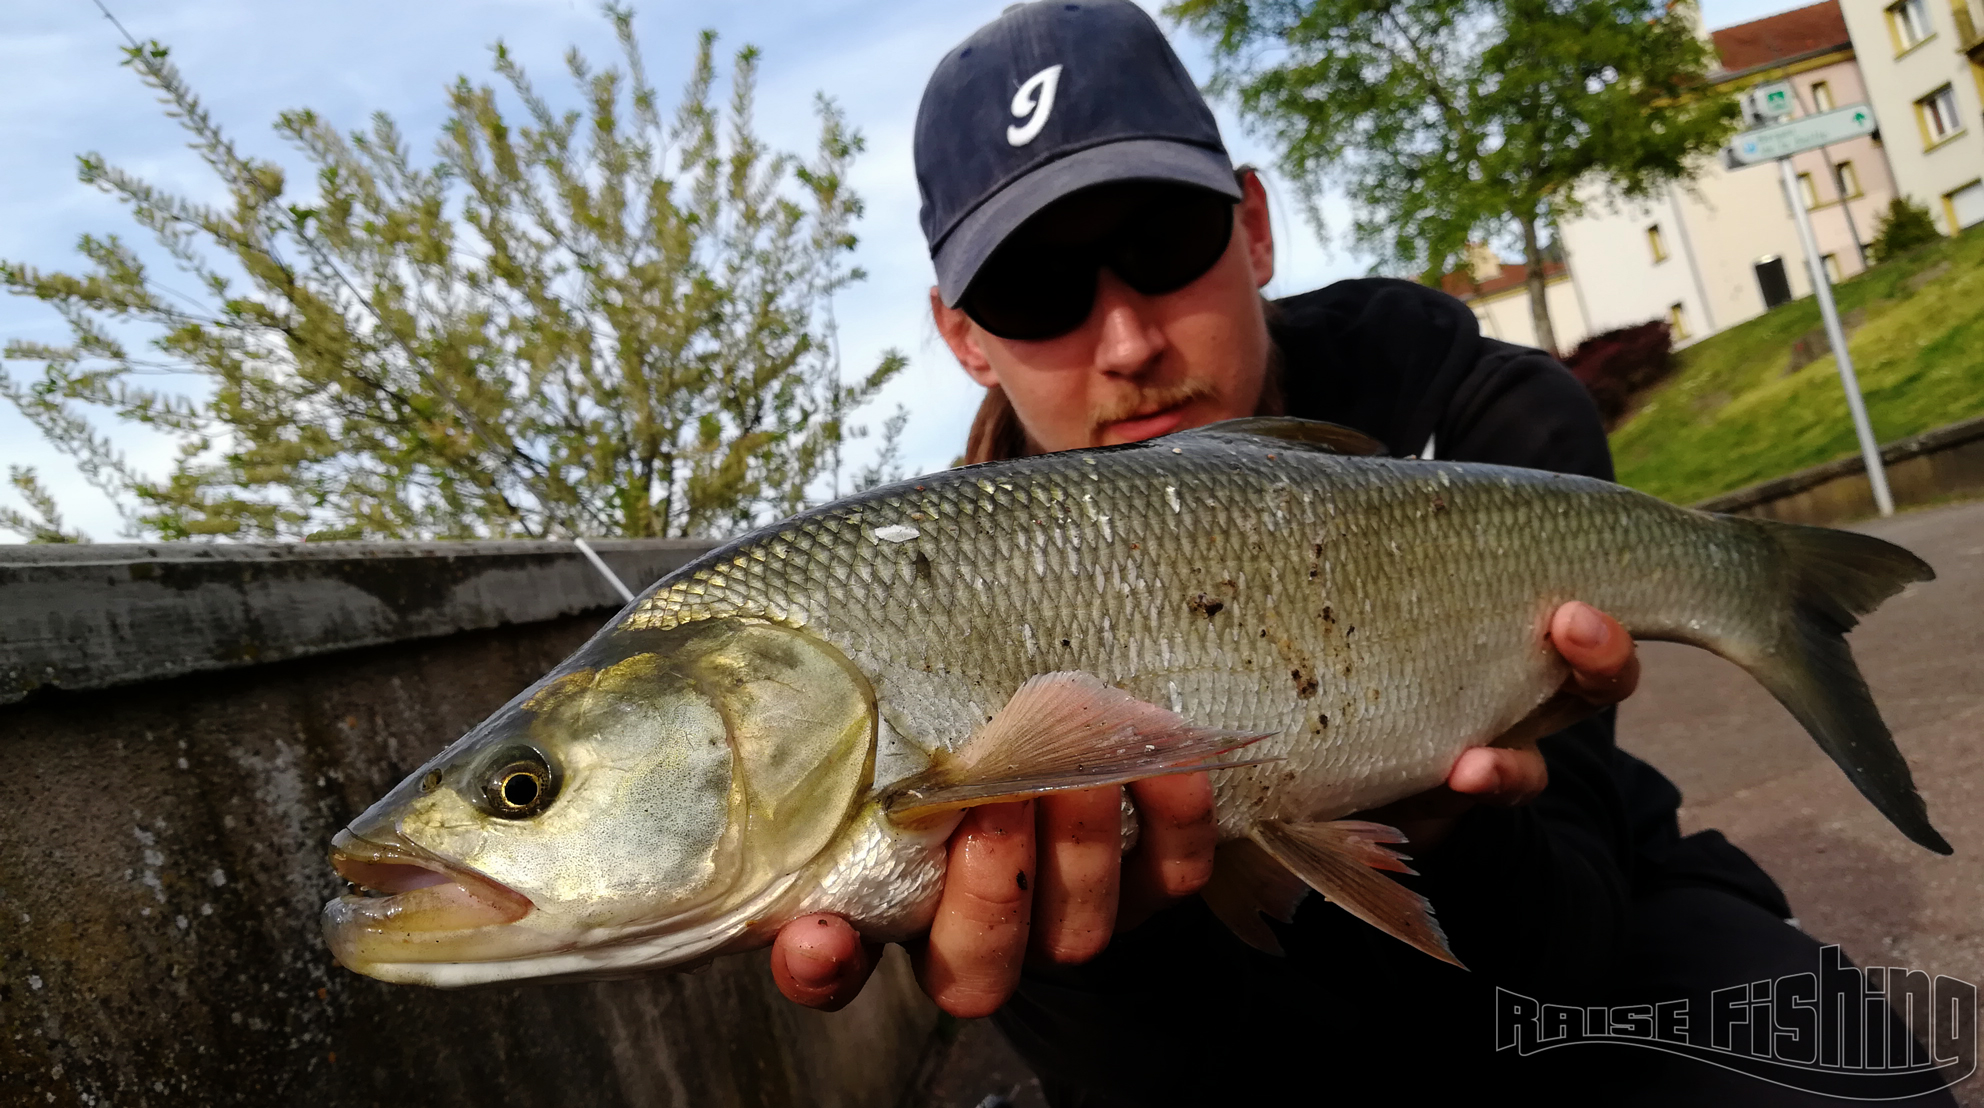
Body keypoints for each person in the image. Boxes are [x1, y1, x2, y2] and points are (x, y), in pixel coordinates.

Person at [765, 4, 1956, 1104]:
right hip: (1216, 1036)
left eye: (1168, 240)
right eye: (1035, 291)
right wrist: (1088, 954)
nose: (1124, 338)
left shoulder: (1489, 420)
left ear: (1253, 225)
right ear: (963, 339)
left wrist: (1445, 827)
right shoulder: (903, 595)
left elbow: (1575, 938)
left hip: (1574, 920)